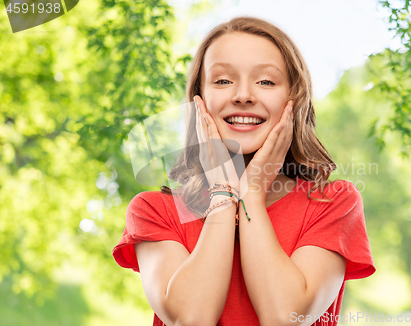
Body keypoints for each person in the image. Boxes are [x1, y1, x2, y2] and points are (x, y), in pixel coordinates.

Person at [113, 16, 375, 326]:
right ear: (200, 100)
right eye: (223, 81)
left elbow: (284, 318)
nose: (243, 95)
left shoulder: (333, 203)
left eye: (265, 81)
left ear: (294, 99)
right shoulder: (155, 211)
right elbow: (191, 320)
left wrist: (251, 194)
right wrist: (224, 195)